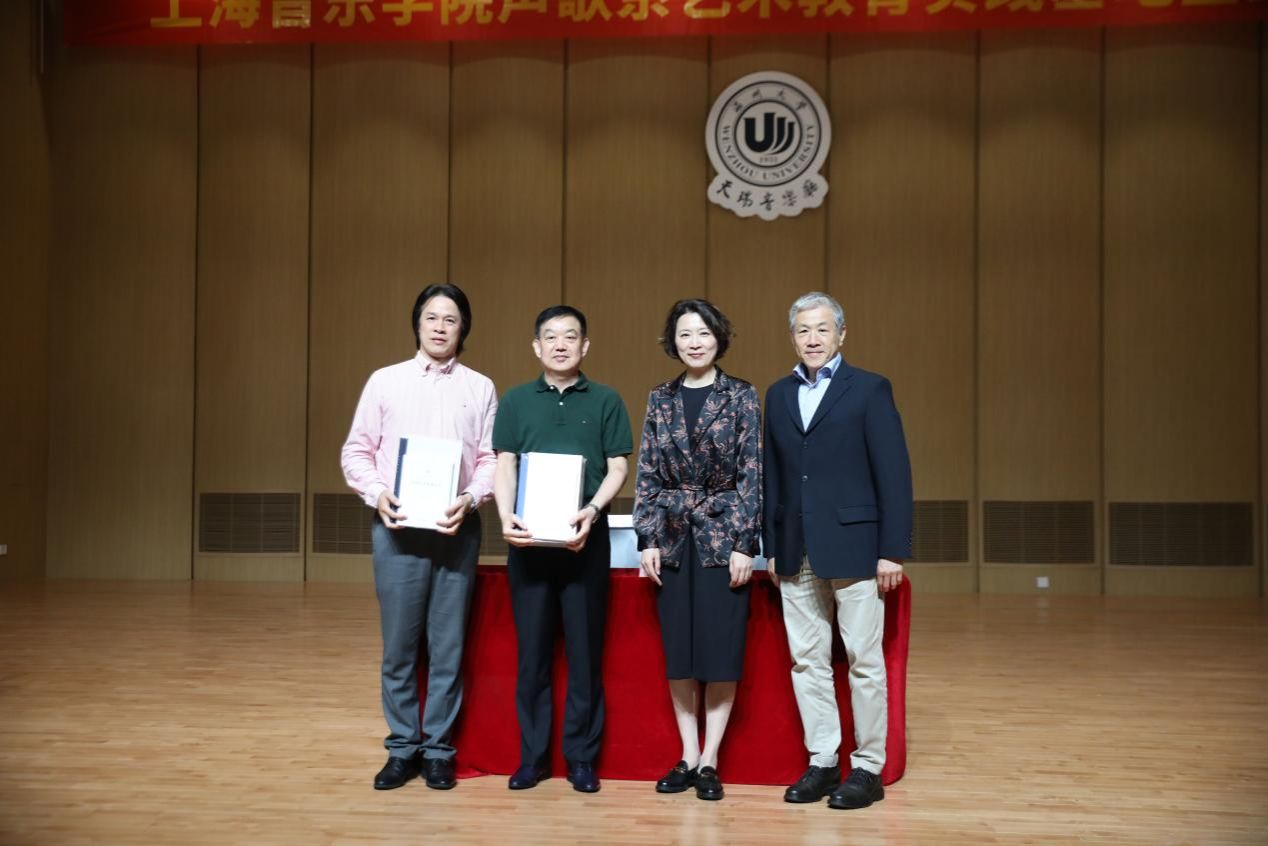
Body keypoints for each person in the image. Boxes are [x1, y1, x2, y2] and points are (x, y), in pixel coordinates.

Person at [340, 284, 497, 791]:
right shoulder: (385, 381)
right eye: (431, 317)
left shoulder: (480, 387)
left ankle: (438, 750)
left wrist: (471, 497)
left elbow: (490, 459)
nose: (440, 327)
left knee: (447, 648)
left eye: (450, 319)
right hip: (399, 530)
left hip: (456, 529)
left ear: (463, 328)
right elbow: (356, 451)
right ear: (417, 323)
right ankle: (402, 747)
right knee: (400, 647)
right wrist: (378, 493)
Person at [762, 291, 913, 810]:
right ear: (793, 337)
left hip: (855, 546)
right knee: (807, 662)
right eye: (803, 330)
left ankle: (867, 767)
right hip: (795, 549)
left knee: (863, 661)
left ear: (841, 334)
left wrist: (892, 550)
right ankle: (823, 761)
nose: (813, 338)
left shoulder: (869, 389)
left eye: (822, 329)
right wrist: (771, 546)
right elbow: (774, 476)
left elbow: (894, 473)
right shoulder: (778, 394)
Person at [492, 305, 632, 794]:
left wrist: (592, 510)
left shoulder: (607, 399)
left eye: (570, 336)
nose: (559, 344)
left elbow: (618, 466)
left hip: (584, 541)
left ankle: (581, 759)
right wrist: (505, 516)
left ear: (584, 345)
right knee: (532, 657)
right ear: (536, 346)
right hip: (528, 543)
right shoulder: (515, 401)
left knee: (585, 655)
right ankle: (532, 759)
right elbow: (504, 463)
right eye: (550, 337)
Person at [632, 299, 761, 802]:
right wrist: (647, 537)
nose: (695, 342)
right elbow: (647, 472)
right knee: (681, 653)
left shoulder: (741, 395)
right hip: (671, 538)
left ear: (718, 337)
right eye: (685, 333)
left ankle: (711, 759)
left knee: (719, 652)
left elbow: (752, 473)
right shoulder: (659, 398)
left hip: (722, 538)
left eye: (703, 332)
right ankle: (688, 754)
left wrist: (745, 543)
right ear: (673, 341)